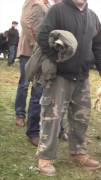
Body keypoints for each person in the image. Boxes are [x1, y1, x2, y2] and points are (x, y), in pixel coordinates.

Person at [36, 0, 101, 176]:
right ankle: (45, 157)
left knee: (81, 118)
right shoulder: (57, 10)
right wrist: (57, 57)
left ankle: (78, 153)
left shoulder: (93, 17)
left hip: (82, 76)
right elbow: (43, 35)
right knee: (52, 117)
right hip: (59, 76)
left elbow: (99, 44)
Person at [15, 0, 50, 148]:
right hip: (29, 51)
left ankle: (34, 120)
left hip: (40, 53)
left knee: (38, 86)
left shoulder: (48, 5)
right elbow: (25, 22)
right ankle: (20, 114)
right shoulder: (33, 1)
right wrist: (35, 43)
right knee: (24, 84)